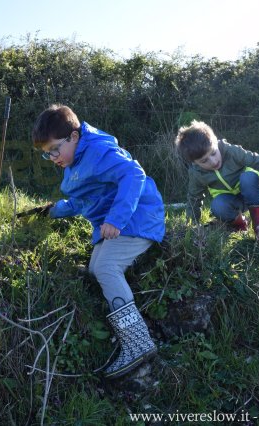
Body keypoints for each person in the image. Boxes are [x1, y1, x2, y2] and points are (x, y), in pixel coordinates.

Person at [32, 104, 166, 379]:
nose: (53, 157)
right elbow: (82, 200)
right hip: (117, 225)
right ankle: (132, 334)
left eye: (55, 149)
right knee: (95, 269)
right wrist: (51, 211)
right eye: (47, 154)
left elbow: (134, 174)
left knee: (105, 268)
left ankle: (138, 342)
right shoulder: (75, 163)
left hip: (137, 219)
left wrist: (116, 218)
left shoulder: (99, 151)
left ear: (74, 136)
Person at [174, 120, 259, 245]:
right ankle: (240, 224)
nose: (213, 162)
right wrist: (192, 225)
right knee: (218, 205)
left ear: (215, 142)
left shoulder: (231, 151)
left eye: (214, 153)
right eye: (204, 161)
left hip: (253, 191)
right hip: (231, 202)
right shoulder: (196, 173)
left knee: (248, 177)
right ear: (194, 162)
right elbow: (194, 198)